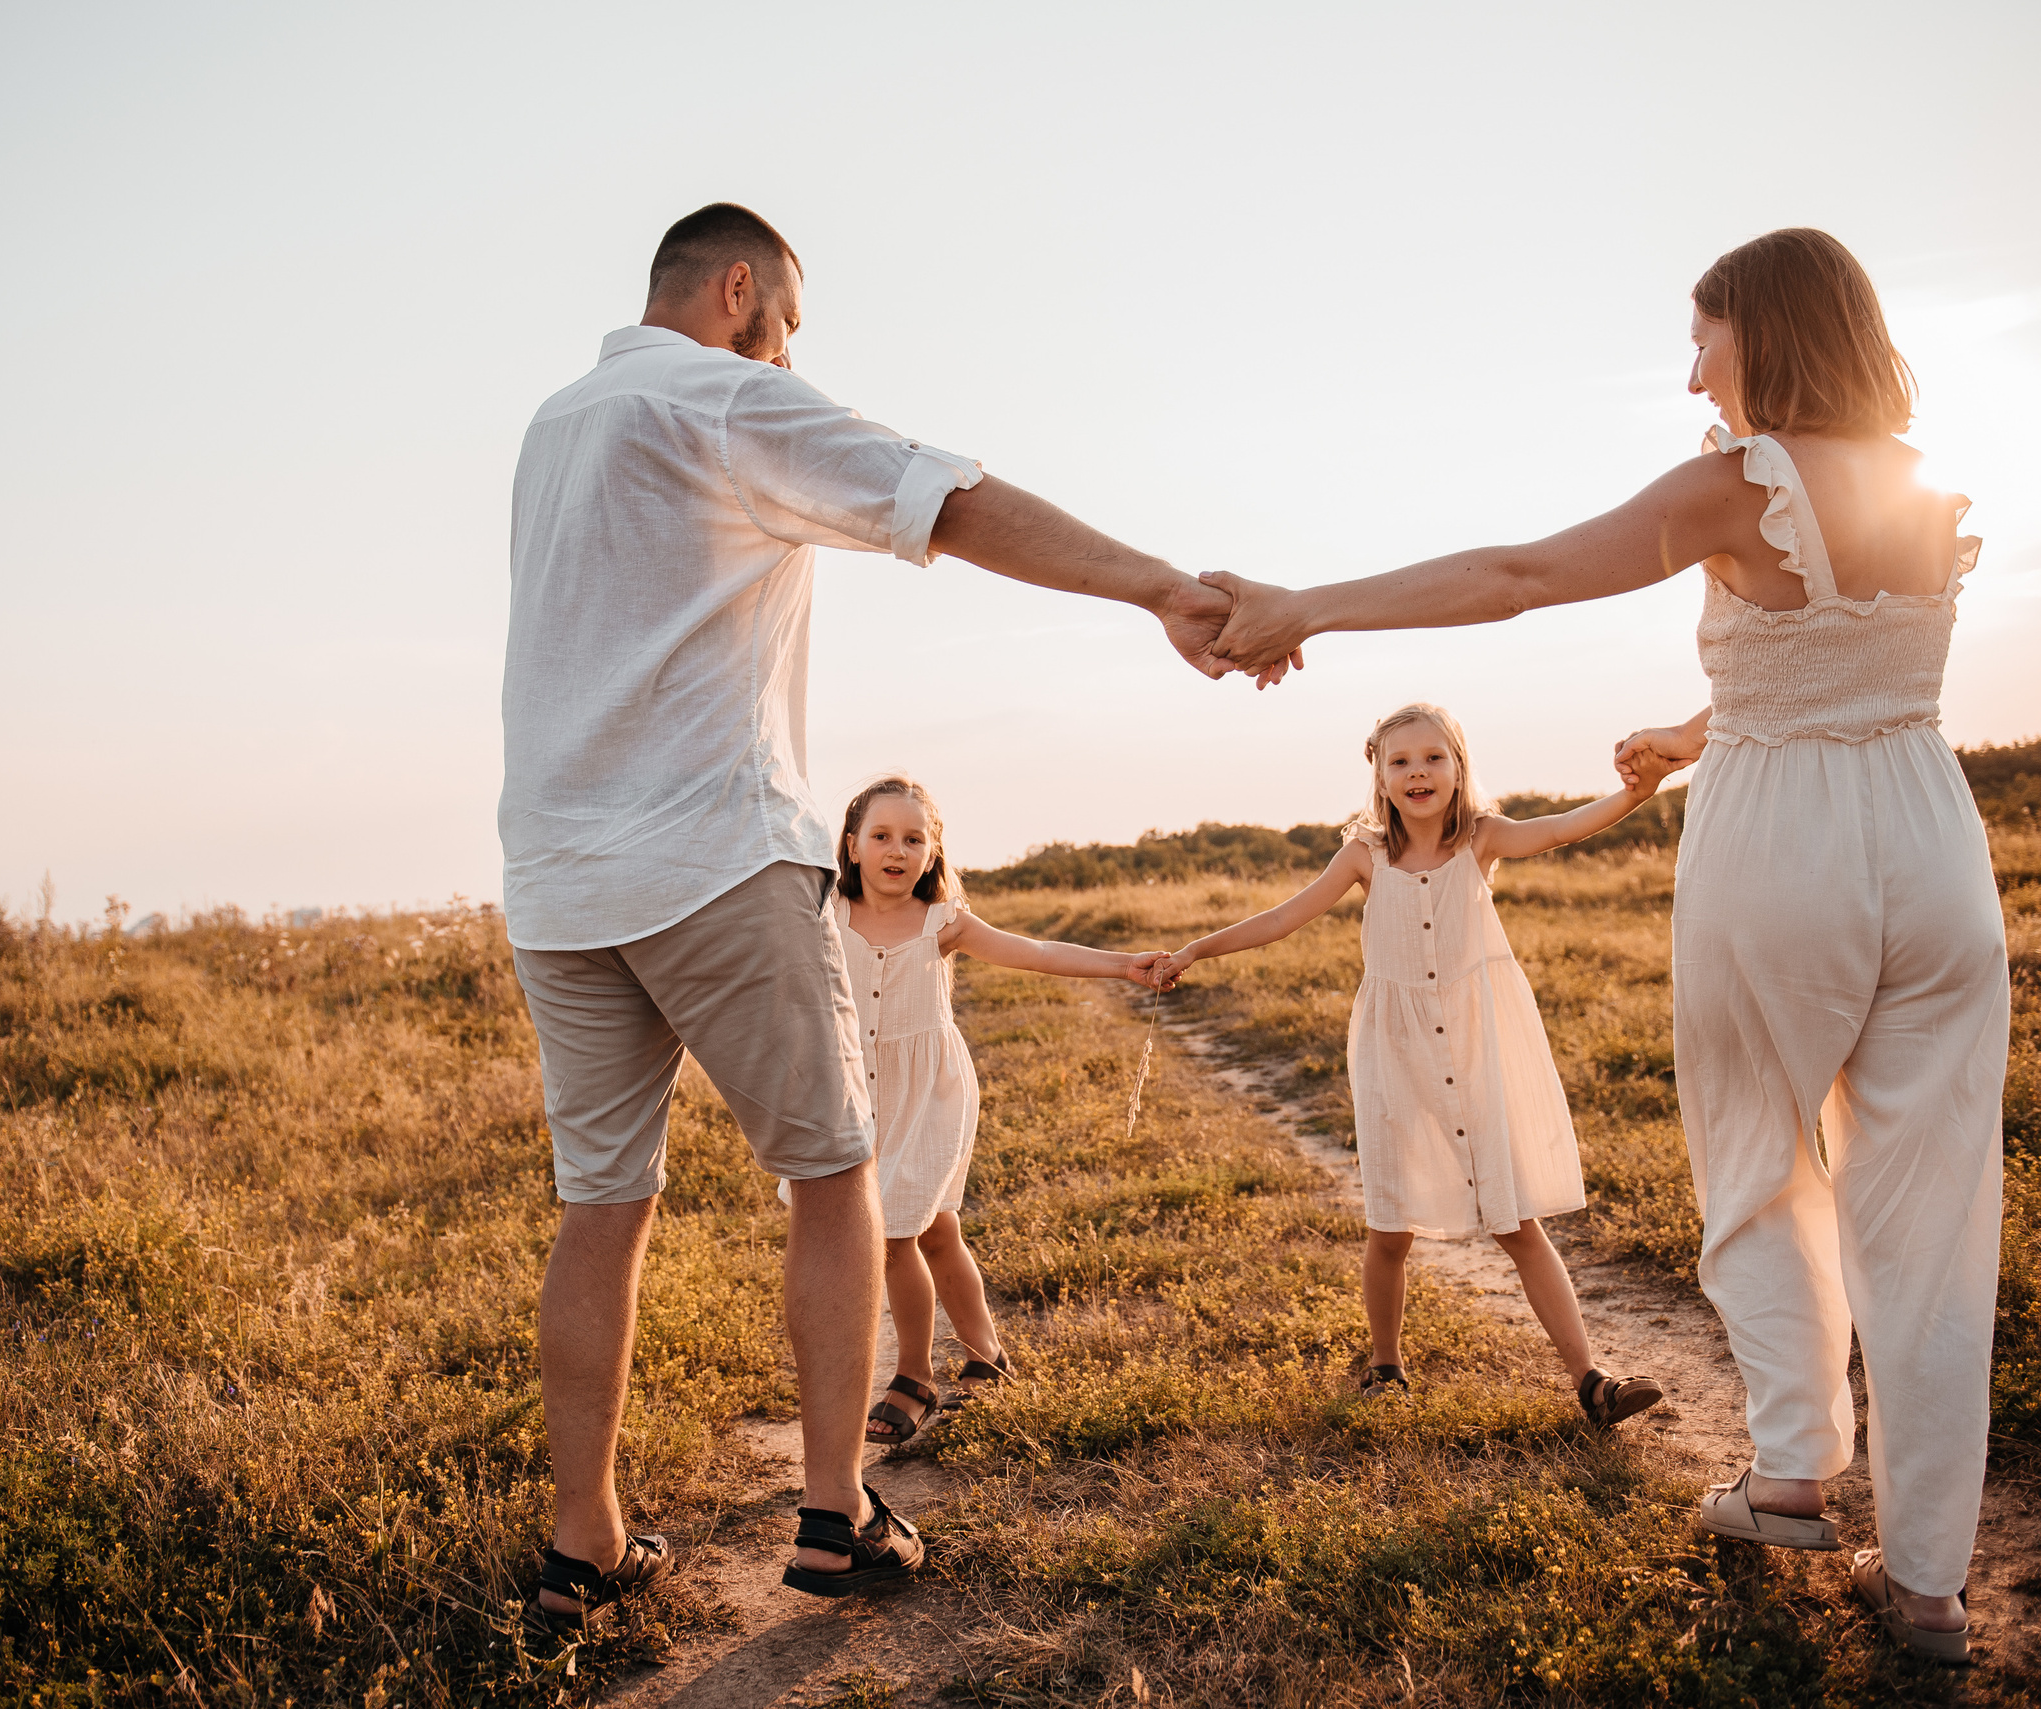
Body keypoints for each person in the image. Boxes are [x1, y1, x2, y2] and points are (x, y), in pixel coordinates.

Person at [1198, 230, 2005, 1663]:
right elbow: (1857, 669)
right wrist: (1698, 727)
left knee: (1757, 1154)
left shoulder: (1741, 483)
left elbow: (1520, 573)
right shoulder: (1931, 488)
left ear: (1765, 331)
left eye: (1704, 339)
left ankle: (1792, 1471)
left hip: (1779, 845)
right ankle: (1932, 1583)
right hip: (1935, 839)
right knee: (1937, 1208)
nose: (1694, 372)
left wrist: (1307, 605)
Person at [502, 203, 1237, 1625]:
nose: (791, 354)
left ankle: (583, 1540)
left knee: (602, 1201)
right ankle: (836, 1513)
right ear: (738, 291)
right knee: (837, 1175)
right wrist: (1160, 586)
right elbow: (943, 499)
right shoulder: (726, 394)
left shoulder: (555, 424)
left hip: (556, 878)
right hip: (713, 855)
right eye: (788, 324)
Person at [1156, 703, 1670, 1425]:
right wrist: (1195, 950)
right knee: (1391, 1226)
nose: (1418, 773)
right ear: (1379, 774)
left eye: (1433, 757)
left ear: (1458, 766)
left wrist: (1635, 794)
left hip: (1476, 1047)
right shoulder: (1364, 854)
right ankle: (1386, 1365)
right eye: (1400, 761)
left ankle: (1592, 1381)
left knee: (1515, 1220)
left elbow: (1563, 827)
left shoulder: (1481, 838)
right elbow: (1282, 917)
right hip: (1394, 1055)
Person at [809, 776, 1169, 1447]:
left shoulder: (941, 922)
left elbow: (1037, 953)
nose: (897, 850)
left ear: (933, 850)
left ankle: (914, 1376)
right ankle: (988, 1355)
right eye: (881, 835)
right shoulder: (825, 911)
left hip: (928, 1097)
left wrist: (1124, 966)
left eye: (913, 838)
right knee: (938, 1230)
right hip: (853, 1092)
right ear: (852, 845)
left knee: (897, 1236)